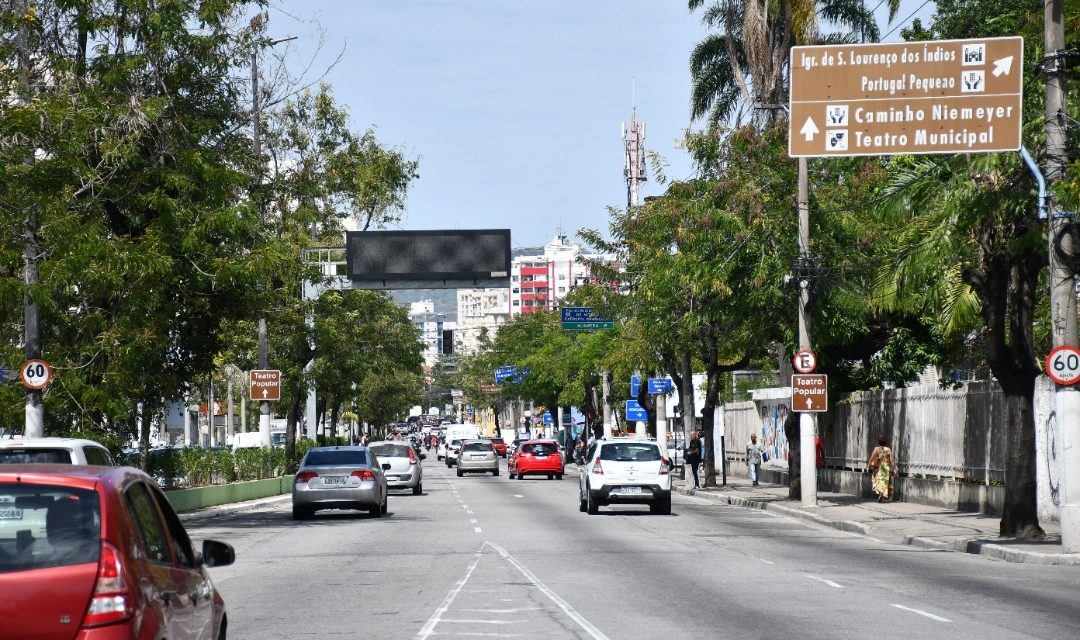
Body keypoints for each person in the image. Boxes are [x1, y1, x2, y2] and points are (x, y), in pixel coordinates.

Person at [867, 435, 896, 502]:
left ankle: (880, 495)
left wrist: (868, 466)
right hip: (886, 468)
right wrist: (894, 469)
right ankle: (882, 496)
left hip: (879, 468)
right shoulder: (888, 449)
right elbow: (891, 460)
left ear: (879, 442)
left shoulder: (876, 449)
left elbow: (871, 458)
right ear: (885, 443)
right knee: (884, 482)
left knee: (879, 481)